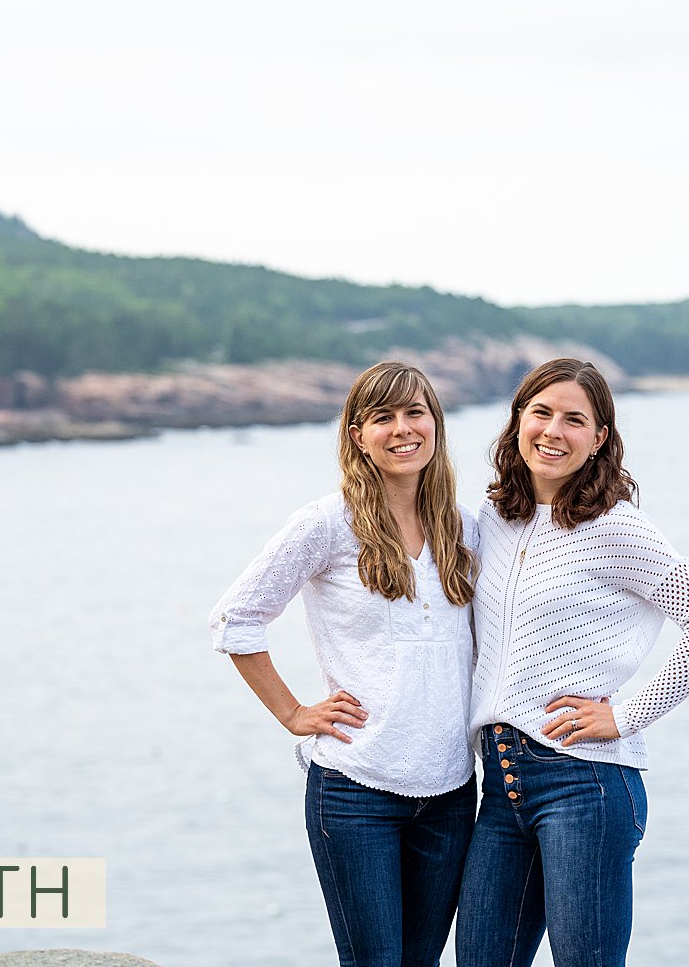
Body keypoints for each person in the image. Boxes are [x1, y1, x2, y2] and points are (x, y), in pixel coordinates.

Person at [456, 358, 689, 967]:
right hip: (501, 785)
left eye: (574, 420)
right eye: (541, 413)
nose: (554, 431)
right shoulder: (493, 520)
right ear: (517, 421)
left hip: (585, 784)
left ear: (599, 438)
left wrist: (627, 714)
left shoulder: (618, 528)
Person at [210, 361, 480, 967]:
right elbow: (235, 620)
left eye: (416, 413)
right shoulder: (327, 524)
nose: (402, 429)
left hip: (452, 793)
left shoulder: (463, 527)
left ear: (436, 424)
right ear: (358, 435)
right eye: (382, 417)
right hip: (357, 792)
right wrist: (294, 712)